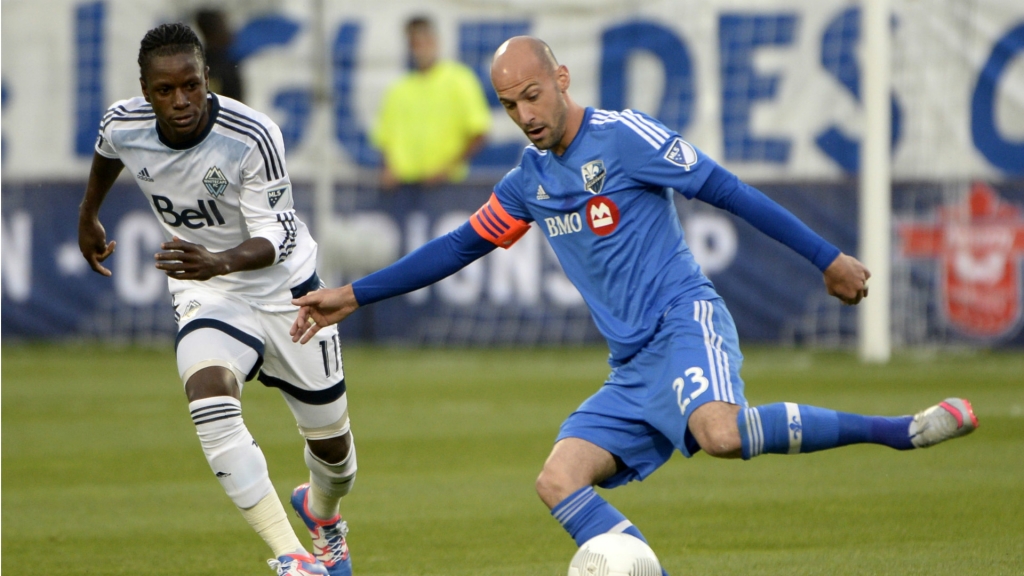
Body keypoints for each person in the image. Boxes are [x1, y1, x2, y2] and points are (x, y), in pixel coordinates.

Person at [290, 36, 978, 570]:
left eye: (533, 95)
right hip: (631, 365)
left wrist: (827, 257)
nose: (525, 115)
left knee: (721, 433)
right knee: (557, 480)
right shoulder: (528, 180)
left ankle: (894, 430)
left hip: (684, 320)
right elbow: (462, 245)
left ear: (561, 80)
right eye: (509, 105)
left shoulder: (625, 138)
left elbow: (728, 190)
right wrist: (353, 293)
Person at [78, 23, 354, 576]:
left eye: (191, 86)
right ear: (145, 88)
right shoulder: (123, 122)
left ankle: (323, 517)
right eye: (164, 90)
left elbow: (277, 236)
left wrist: (219, 259)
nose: (180, 101)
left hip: (288, 291)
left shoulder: (252, 135)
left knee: (334, 455)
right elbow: (108, 150)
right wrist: (88, 216)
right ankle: (292, 555)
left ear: (207, 79)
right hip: (209, 289)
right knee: (208, 396)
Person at [371, 16, 491, 188]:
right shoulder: (397, 89)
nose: (420, 49)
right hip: (404, 187)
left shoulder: (460, 80)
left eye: (425, 41)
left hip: (449, 186)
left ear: (435, 41)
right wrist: (388, 167)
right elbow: (384, 138)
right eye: (415, 43)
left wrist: (447, 168)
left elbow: (479, 132)